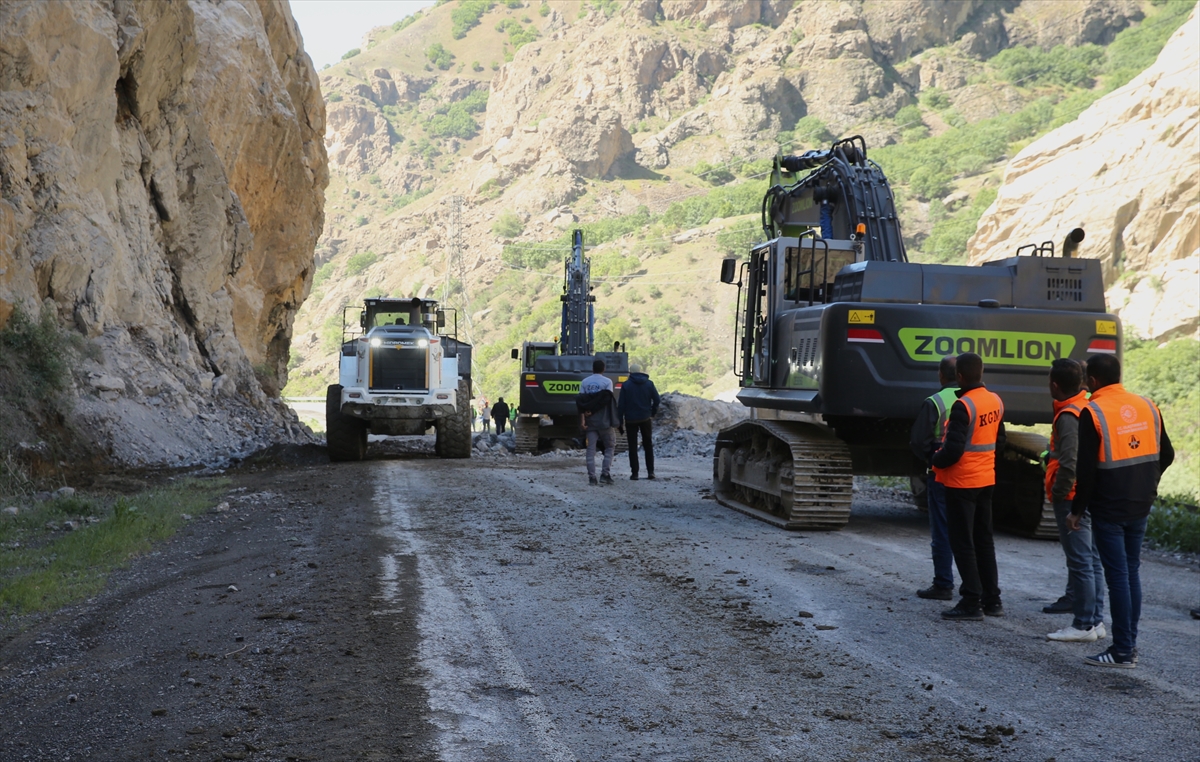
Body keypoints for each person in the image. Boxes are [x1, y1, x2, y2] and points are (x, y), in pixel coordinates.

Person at [1068, 353, 1173, 668]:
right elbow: (1166, 453)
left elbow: (1085, 471)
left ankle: (1124, 650)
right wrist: (1148, 482)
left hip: (1110, 507)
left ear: (1094, 381)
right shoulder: (1147, 405)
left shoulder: (1093, 411)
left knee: (1118, 576)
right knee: (1131, 571)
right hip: (1141, 502)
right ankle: (1129, 645)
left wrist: (1076, 511)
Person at [931, 352, 1006, 621]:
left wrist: (933, 460)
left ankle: (970, 602)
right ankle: (992, 600)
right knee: (984, 541)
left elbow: (952, 450)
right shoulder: (994, 400)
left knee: (963, 544)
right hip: (986, 480)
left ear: (960, 377)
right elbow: (1000, 441)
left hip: (962, 482)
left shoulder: (964, 405)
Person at [1044, 359, 1108, 643]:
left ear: (1055, 385)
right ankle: (1095, 621)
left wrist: (1059, 492)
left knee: (1081, 560)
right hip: (1091, 491)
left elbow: (1069, 461)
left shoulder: (1069, 415)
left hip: (1071, 496)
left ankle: (1083, 624)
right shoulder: (1088, 404)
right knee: (1092, 559)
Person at [909, 356, 958, 600]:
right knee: (973, 533)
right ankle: (981, 591)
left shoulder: (936, 401)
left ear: (941, 375)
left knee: (942, 529)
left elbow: (919, 441)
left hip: (942, 474)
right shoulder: (986, 400)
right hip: (978, 476)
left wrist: (932, 459)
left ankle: (943, 584)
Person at [576, 359, 617, 486]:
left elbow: (581, 403)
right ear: (603, 369)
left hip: (590, 423)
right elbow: (606, 401)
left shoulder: (585, 382)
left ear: (592, 369)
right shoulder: (607, 382)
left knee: (590, 450)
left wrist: (583, 420)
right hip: (604, 422)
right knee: (610, 446)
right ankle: (605, 474)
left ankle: (592, 478)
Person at [617, 363, 660, 480]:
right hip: (645, 418)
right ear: (640, 371)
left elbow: (621, 405)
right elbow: (657, 399)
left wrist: (620, 421)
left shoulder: (626, 385)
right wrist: (652, 413)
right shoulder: (649, 384)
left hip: (630, 420)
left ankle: (635, 473)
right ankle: (651, 472)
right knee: (648, 445)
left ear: (630, 373)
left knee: (632, 446)